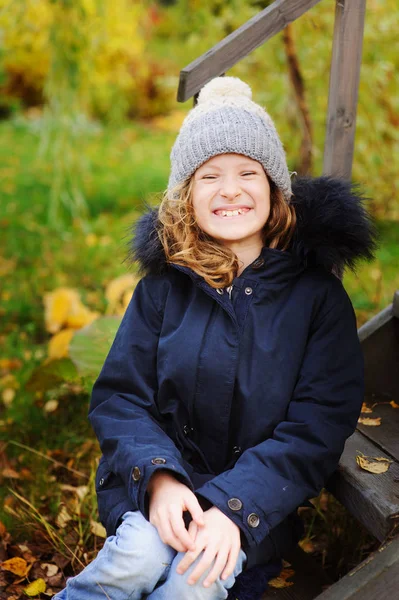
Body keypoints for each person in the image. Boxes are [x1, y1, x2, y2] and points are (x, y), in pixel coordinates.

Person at [53, 76, 376, 600]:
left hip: (252, 506)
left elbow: (315, 426)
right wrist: (159, 480)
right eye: (210, 176)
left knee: (191, 585)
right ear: (186, 196)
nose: (230, 189)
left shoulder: (317, 301)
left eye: (248, 172)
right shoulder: (162, 290)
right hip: (155, 485)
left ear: (275, 191)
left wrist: (233, 509)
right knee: (134, 559)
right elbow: (122, 397)